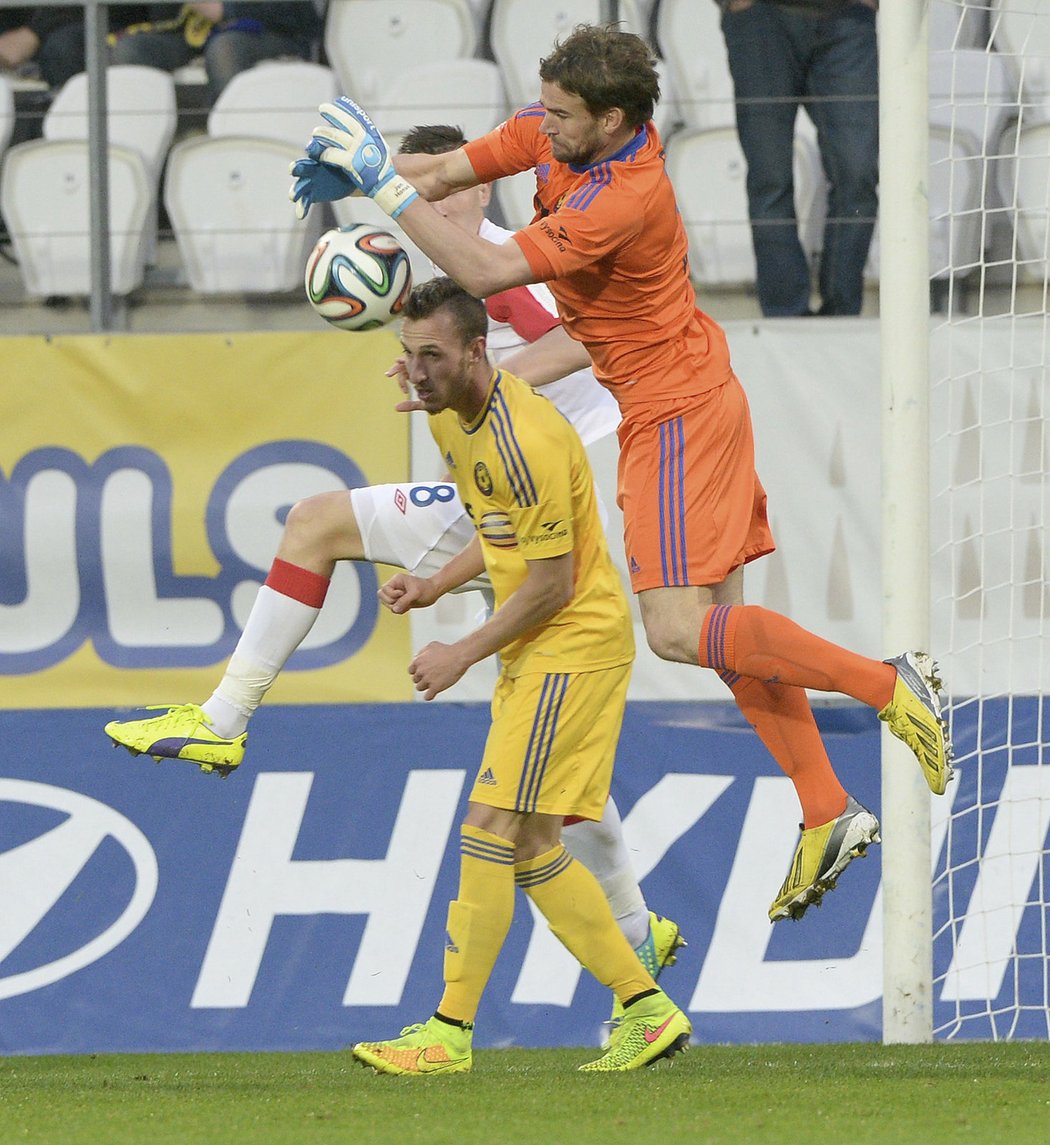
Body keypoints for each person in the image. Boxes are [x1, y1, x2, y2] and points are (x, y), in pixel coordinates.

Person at [289, 22, 954, 926]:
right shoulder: (559, 127)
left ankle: (889, 685)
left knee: (680, 633)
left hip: (674, 411)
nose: (543, 121)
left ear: (610, 119)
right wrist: (371, 177)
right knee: (725, 634)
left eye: (561, 113)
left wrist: (380, 180)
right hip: (682, 392)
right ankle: (826, 807)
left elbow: (482, 266)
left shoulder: (622, 197)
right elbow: (449, 175)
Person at [104, 123, 685, 1021]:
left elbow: (591, 334)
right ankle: (637, 926)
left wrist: (488, 378)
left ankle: (225, 717)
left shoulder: (499, 263)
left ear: (477, 196)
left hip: (556, 489)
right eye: (422, 191)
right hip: (490, 502)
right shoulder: (424, 291)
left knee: (318, 525)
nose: (436, 209)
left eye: (450, 193)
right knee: (545, 748)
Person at [350, 276, 690, 1074]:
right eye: (409, 354)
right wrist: (435, 583)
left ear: (478, 350)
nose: (418, 371)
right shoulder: (453, 418)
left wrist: (458, 648)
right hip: (543, 646)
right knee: (534, 842)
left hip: (571, 643)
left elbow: (551, 581)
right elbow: (495, 527)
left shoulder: (522, 437)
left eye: (432, 355)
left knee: (489, 828)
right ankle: (646, 1005)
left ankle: (449, 1030)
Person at [718, 0, 880, 316]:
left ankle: (843, 313)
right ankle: (785, 315)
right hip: (760, 16)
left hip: (848, 15)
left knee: (858, 172)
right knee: (770, 178)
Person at [108, 2, 320, 102]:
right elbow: (159, 14)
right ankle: (158, 159)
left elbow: (299, 12)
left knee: (224, 50)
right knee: (129, 50)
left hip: (273, 32)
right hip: (194, 32)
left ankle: (228, 146)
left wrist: (226, 9)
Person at [0, 6, 148, 89]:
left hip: (116, 20)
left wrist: (34, 32)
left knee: (63, 46)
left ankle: (68, 129)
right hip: (26, 29)